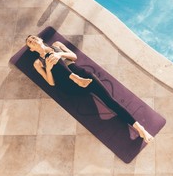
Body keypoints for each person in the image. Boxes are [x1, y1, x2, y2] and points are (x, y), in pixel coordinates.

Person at [26, 35, 154, 143]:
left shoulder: (57, 44)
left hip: (83, 76)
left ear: (40, 39)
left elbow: (73, 57)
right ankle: (74, 78)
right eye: (29, 42)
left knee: (110, 101)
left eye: (33, 38)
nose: (32, 40)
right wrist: (48, 68)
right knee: (50, 60)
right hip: (69, 86)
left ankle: (140, 129)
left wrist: (59, 54)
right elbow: (51, 82)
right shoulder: (37, 63)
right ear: (31, 49)